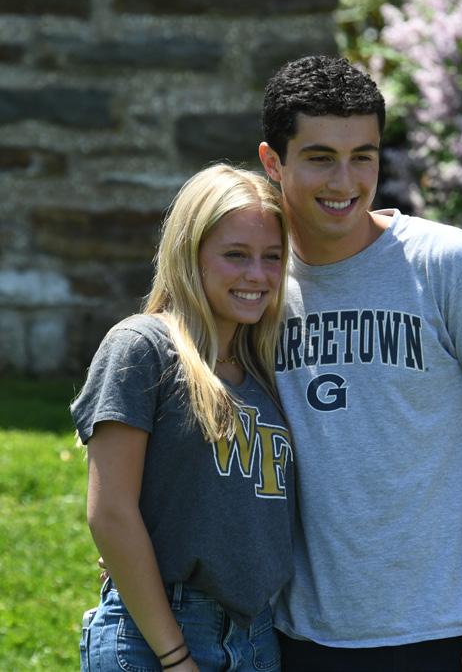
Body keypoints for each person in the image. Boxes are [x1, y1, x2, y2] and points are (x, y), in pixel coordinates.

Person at [258, 55, 462, 672]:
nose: (345, 181)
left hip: (443, 630)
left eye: (363, 156)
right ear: (273, 162)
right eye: (320, 158)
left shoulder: (450, 265)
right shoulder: (253, 285)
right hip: (295, 634)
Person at [71, 164, 294, 672]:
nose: (257, 275)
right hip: (157, 637)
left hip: (257, 639)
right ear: (190, 253)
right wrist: (175, 657)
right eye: (235, 254)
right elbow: (110, 512)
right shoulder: (142, 347)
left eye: (272, 257)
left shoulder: (266, 368)